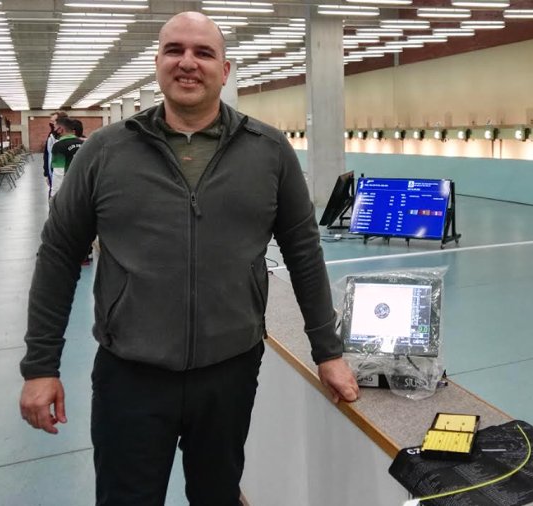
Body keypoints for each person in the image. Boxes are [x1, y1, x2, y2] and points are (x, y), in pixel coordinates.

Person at [18, 11, 359, 506]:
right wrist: (39, 366)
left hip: (230, 371)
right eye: (174, 50)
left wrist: (327, 351)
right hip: (129, 374)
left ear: (225, 70)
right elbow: (58, 256)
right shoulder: (104, 152)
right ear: (156, 62)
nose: (187, 63)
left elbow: (304, 251)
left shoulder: (269, 152)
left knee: (218, 496)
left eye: (203, 52)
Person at [48, 116, 84, 197]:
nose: (54, 130)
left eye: (55, 127)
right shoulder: (84, 143)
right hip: (83, 189)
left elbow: (58, 172)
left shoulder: (59, 146)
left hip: (68, 189)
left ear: (60, 129)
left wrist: (54, 195)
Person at [42, 110, 67, 195]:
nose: (52, 124)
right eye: (51, 122)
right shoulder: (51, 136)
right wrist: (46, 174)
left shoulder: (65, 138)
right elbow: (46, 154)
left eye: (54, 122)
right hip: (52, 174)